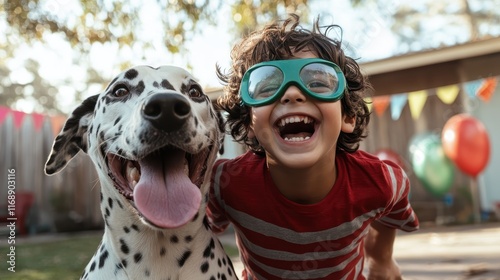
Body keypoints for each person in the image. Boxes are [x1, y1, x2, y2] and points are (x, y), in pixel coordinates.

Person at [208, 13, 419, 280]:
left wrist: (382, 259)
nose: (293, 93)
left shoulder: (381, 181)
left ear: (347, 116)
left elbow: (392, 209)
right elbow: (198, 232)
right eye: (266, 86)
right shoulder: (224, 185)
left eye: (318, 83)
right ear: (249, 121)